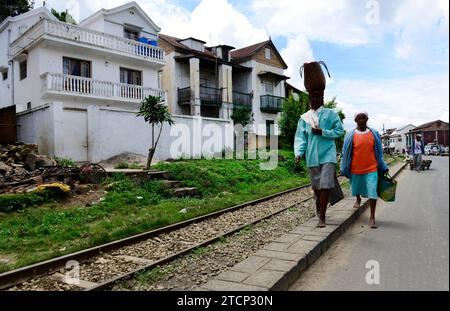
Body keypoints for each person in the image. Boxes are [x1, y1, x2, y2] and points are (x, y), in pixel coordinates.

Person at [294, 89, 344, 228]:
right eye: (312, 96)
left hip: (328, 154)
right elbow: (301, 138)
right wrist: (298, 153)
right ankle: (319, 203)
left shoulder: (331, 114)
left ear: (322, 98)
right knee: (317, 187)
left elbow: (339, 131)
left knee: (325, 184)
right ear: (309, 98)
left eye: (318, 96)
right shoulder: (304, 118)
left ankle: (322, 217)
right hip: (311, 156)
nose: (315, 99)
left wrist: (323, 132)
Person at [340, 112, 388, 229]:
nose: (361, 120)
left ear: (367, 119)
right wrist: (343, 167)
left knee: (373, 192)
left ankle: (372, 217)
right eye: (359, 118)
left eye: (363, 118)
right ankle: (358, 199)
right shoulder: (350, 134)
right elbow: (345, 152)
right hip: (355, 168)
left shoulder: (374, 134)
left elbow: (379, 153)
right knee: (356, 188)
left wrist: (383, 166)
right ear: (355, 120)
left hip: (371, 168)